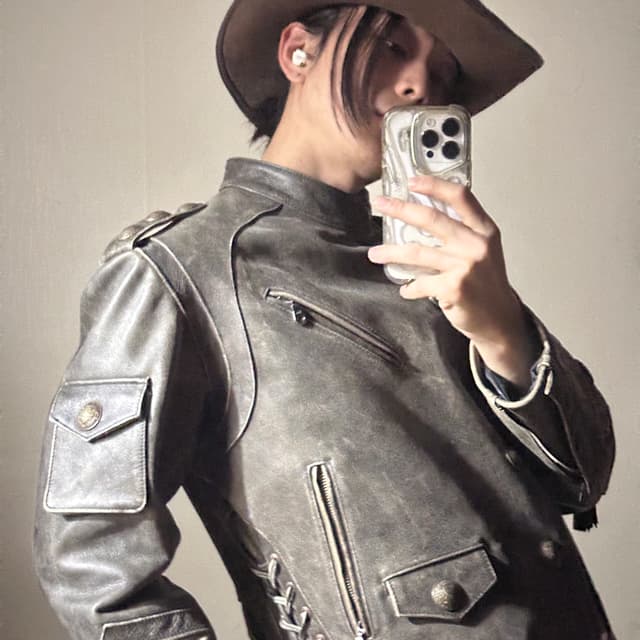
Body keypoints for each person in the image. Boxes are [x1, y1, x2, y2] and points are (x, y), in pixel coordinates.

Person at [33, 1, 616, 639]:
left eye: (443, 73)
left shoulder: (443, 261)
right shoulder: (183, 270)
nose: (420, 85)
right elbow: (91, 565)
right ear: (298, 52)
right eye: (394, 47)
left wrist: (502, 327)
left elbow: (584, 480)